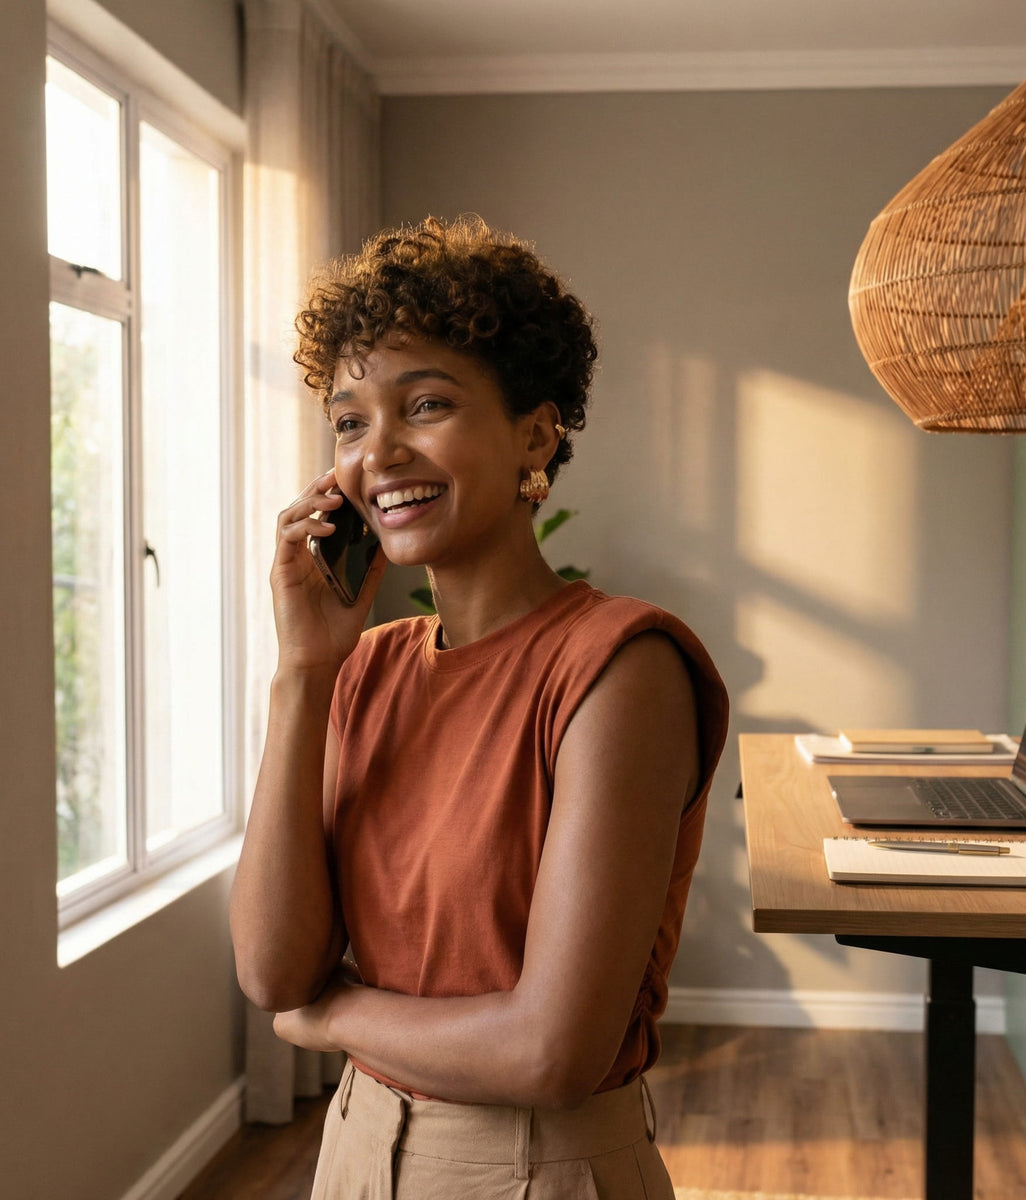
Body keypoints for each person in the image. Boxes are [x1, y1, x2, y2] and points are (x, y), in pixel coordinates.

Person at [229, 215, 728, 1199]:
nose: (380, 454)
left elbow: (550, 1051)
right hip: (355, 1150)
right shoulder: (363, 669)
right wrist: (302, 672)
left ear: (535, 433)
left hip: (538, 1167)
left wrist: (330, 1022)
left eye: (425, 405)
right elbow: (274, 970)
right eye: (350, 421)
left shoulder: (619, 669)